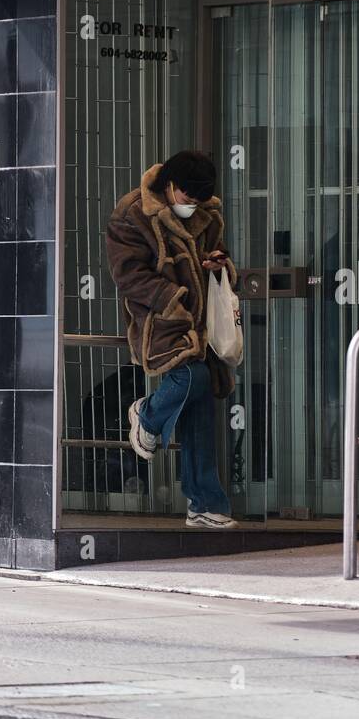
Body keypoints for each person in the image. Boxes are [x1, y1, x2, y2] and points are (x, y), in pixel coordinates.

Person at [106, 150, 239, 529]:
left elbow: (222, 261)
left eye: (198, 201)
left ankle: (206, 503)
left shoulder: (207, 214)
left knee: (201, 404)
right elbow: (128, 275)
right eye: (186, 199)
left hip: (203, 323)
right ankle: (146, 415)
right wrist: (173, 300)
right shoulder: (133, 212)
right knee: (192, 379)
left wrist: (219, 263)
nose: (191, 207)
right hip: (159, 320)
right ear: (170, 185)